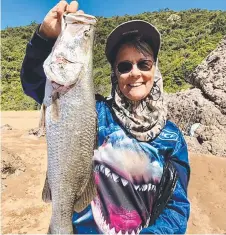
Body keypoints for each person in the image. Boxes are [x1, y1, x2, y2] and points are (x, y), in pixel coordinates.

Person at [20, 1, 190, 234]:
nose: (135, 73)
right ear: (115, 73)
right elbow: (34, 84)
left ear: (155, 69)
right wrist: (44, 38)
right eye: (124, 66)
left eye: (144, 63)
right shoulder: (96, 113)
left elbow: (176, 206)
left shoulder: (172, 138)